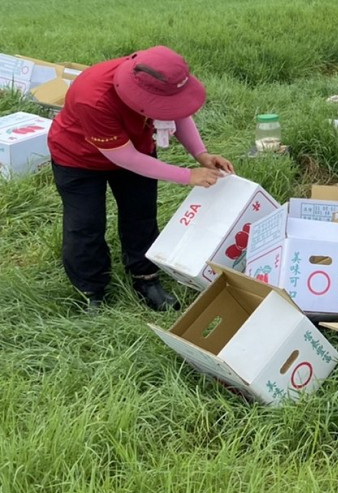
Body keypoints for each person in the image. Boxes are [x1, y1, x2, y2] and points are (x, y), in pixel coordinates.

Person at [47, 46, 234, 312]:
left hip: (138, 148)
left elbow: (177, 111)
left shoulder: (155, 73)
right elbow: (126, 158)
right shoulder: (93, 97)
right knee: (85, 223)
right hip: (80, 158)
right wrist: (188, 175)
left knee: (141, 214)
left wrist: (201, 155)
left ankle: (145, 278)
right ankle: (91, 290)